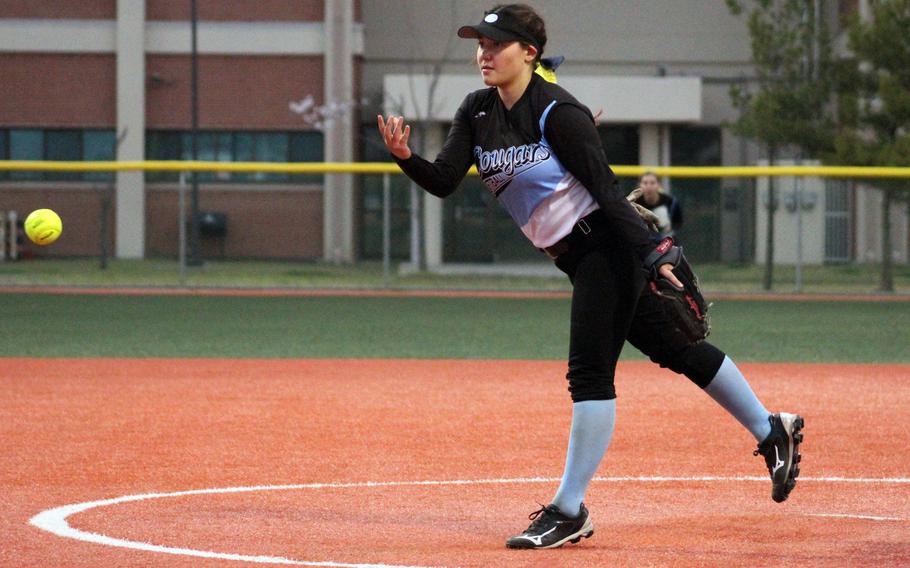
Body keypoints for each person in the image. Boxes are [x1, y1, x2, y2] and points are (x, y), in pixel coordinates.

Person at [378, 3, 803, 550]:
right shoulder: (477, 110)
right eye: (479, 44)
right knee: (677, 350)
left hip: (607, 248)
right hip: (577, 258)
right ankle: (772, 429)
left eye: (495, 44)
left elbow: (604, 190)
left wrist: (655, 253)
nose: (484, 54)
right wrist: (404, 156)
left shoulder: (558, 111)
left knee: (589, 375)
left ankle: (568, 509)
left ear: (528, 53)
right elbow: (441, 179)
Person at [633, 171, 683, 238]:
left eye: (652, 183)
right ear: (639, 185)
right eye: (645, 183)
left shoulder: (670, 202)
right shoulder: (634, 203)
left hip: (666, 240)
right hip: (643, 240)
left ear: (659, 185)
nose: (649, 186)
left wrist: (670, 229)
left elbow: (677, 222)